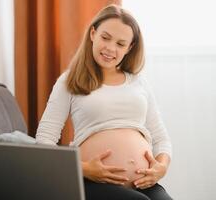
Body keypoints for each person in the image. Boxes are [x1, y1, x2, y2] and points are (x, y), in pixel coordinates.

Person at [36, 4, 173, 200]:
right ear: (93, 33)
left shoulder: (139, 82)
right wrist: (82, 169)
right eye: (105, 38)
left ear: (130, 47)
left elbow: (161, 139)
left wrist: (161, 167)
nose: (110, 48)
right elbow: (44, 140)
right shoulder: (69, 81)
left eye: (120, 43)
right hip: (90, 183)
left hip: (142, 182)